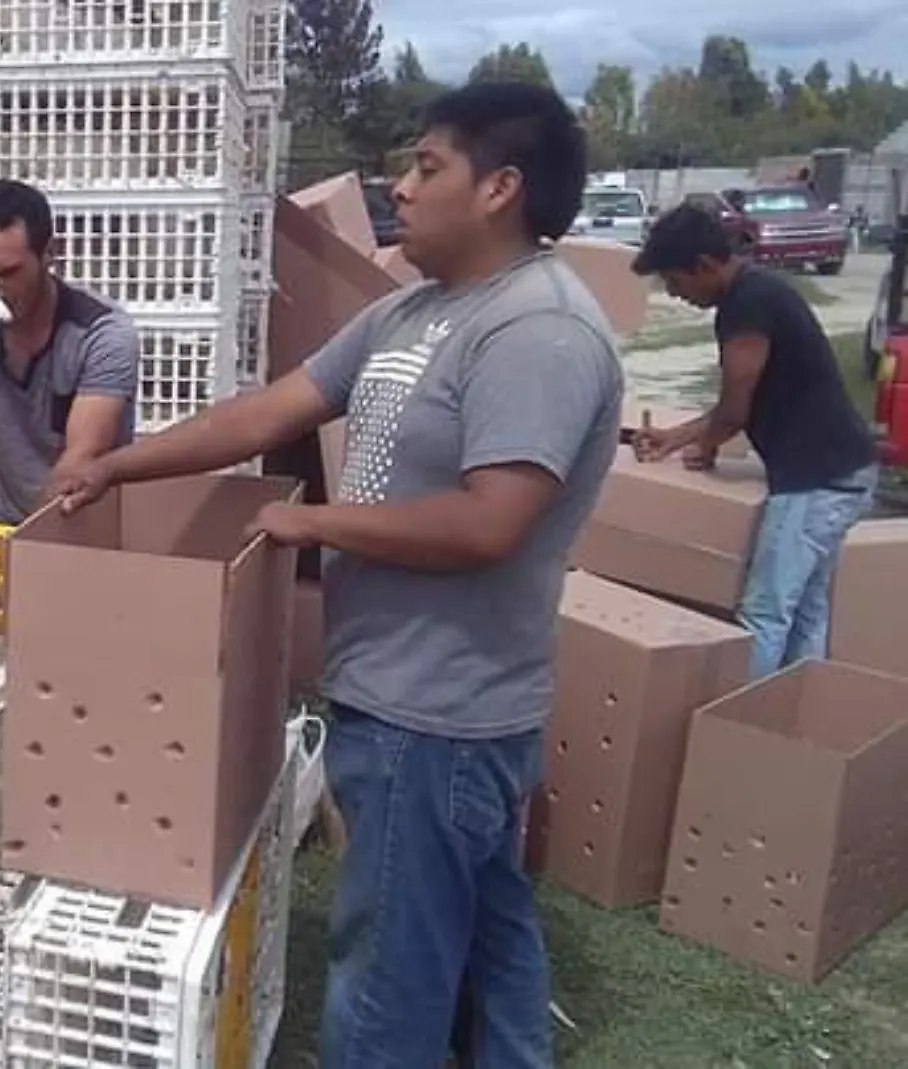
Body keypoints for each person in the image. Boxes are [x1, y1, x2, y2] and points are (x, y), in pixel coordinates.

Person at [52, 82, 623, 1068]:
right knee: (487, 933)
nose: (398, 185)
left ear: (500, 188)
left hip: (440, 708)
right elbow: (268, 412)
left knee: (390, 968)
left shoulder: (537, 331)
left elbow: (492, 522)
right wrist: (114, 463)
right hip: (397, 691)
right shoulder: (414, 312)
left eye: (425, 166)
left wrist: (309, 519)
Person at [630, 205, 879, 679]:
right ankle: (797, 722)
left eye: (674, 281)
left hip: (817, 479)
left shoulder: (746, 306)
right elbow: (737, 401)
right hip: (843, 469)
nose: (675, 294)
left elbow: (734, 408)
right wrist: (672, 438)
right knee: (805, 611)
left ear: (703, 265)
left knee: (764, 615)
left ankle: (741, 729)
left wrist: (704, 446)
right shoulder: (760, 291)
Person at [0, 178, 141, 523]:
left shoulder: (102, 335)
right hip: (4, 523)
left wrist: (26, 550)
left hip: (88, 526)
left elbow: (80, 462)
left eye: (9, 272)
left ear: (49, 253)